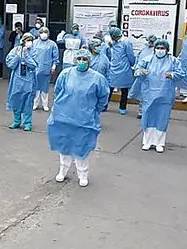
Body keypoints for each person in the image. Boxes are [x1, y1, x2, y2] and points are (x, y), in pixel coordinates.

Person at [48, 49, 109, 187]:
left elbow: (103, 98)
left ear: (89, 61)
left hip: (84, 119)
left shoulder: (97, 78)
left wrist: (92, 111)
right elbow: (58, 92)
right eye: (79, 58)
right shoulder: (66, 74)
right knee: (64, 146)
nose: (81, 61)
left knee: (82, 148)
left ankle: (83, 174)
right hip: (64, 117)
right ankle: (62, 171)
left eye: (84, 59)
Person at [134, 39, 184, 152]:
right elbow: (136, 70)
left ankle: (159, 143)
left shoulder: (173, 61)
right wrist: (141, 72)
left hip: (165, 95)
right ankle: (147, 142)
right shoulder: (147, 60)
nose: (160, 50)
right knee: (148, 116)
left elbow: (181, 73)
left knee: (162, 118)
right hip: (149, 94)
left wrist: (172, 74)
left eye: (162, 48)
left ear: (167, 50)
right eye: (158, 48)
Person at [6, 32, 38, 131]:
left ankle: (27, 123)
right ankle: (16, 121)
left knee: (28, 102)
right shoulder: (15, 50)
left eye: (31, 40)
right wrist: (18, 56)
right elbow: (10, 64)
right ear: (22, 41)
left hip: (29, 80)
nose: (30, 42)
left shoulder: (35, 51)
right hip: (17, 80)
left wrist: (26, 56)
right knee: (16, 99)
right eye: (27, 40)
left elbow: (34, 65)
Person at [106, 28, 137, 115]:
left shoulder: (126, 42)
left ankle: (122, 107)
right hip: (114, 67)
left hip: (124, 68)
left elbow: (130, 55)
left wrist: (132, 64)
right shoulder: (113, 42)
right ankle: (104, 105)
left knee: (124, 89)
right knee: (110, 87)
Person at [31, 27, 59, 111]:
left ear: (48, 33)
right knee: (35, 87)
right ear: (39, 33)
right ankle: (35, 104)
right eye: (42, 32)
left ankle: (45, 104)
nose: (43, 34)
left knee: (45, 87)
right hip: (35, 68)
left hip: (46, 68)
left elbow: (55, 57)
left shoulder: (52, 44)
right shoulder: (34, 43)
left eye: (45, 32)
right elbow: (31, 54)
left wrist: (53, 66)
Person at [130, 35, 157, 119]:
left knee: (152, 95)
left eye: (151, 42)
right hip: (142, 76)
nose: (149, 43)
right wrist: (137, 70)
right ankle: (141, 111)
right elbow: (138, 61)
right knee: (142, 95)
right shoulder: (144, 50)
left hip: (153, 77)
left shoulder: (156, 51)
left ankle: (151, 112)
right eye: (149, 41)